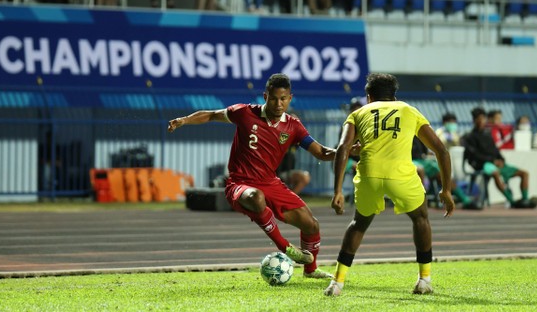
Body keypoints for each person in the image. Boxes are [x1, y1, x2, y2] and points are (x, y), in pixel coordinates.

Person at [168, 73, 346, 280]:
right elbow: (211, 114)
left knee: (311, 224)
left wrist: (346, 151)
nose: (278, 104)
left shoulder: (293, 126)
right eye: (273, 98)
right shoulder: (244, 113)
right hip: (239, 184)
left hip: (270, 182)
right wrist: (184, 120)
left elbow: (321, 153)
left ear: (290, 98)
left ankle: (310, 270)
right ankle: (285, 247)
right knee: (256, 197)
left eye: (283, 99)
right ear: (265, 96)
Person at [325, 73, 455, 297]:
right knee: (420, 217)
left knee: (358, 223)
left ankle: (337, 283)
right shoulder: (409, 110)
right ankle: (424, 279)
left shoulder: (357, 113)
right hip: (401, 177)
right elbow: (441, 150)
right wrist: (446, 189)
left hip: (369, 175)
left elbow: (343, 148)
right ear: (394, 96)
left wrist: (337, 190)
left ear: (368, 97)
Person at [462, 107, 537, 209]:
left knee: (524, 174)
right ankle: (512, 201)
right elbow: (476, 156)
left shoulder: (488, 135)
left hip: (496, 163)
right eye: (478, 119)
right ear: (474, 121)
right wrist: (492, 161)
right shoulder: (470, 137)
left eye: (483, 119)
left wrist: (501, 160)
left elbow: (496, 151)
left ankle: (525, 200)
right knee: (496, 173)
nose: (481, 121)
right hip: (483, 165)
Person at [412, 136, 480, 210]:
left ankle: (465, 200)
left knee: (444, 174)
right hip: (409, 161)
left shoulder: (419, 134)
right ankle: (421, 202)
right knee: (420, 170)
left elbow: (424, 152)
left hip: (422, 160)